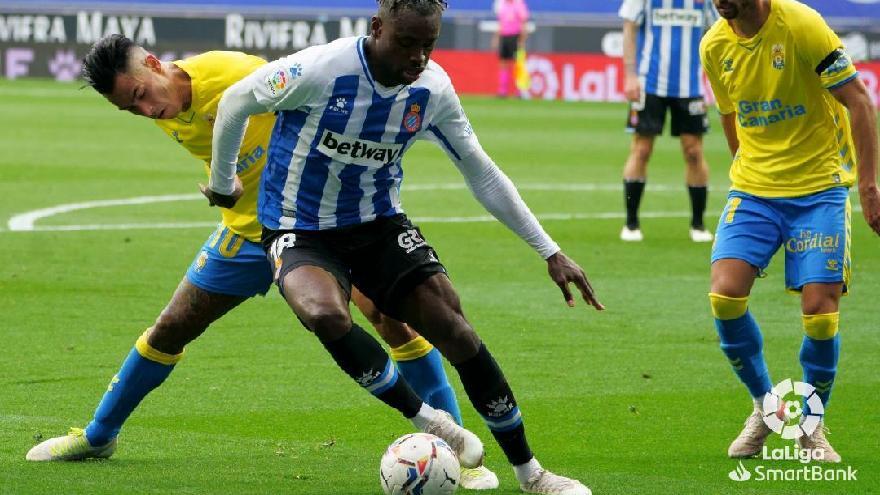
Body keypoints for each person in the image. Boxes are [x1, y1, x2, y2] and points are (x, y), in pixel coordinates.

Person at [26, 35, 500, 488]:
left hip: (318, 226)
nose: (146, 110)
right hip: (248, 231)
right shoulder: (163, 104)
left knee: (391, 319)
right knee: (172, 325)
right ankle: (99, 435)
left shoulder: (234, 74)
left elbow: (315, 105)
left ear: (153, 64)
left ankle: (457, 452)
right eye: (131, 109)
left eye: (141, 96)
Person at [203, 1, 603, 493]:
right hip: (299, 227)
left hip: (379, 225)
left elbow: (481, 172)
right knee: (326, 314)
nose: (418, 56)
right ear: (377, 27)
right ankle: (427, 418)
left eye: (428, 44)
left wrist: (549, 250)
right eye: (406, 42)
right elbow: (237, 100)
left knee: (455, 330)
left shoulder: (432, 89)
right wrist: (223, 182)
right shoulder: (323, 69)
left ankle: (532, 474)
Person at [701, 0, 880, 462]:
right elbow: (730, 114)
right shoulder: (714, 45)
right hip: (755, 191)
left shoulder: (801, 25)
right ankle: (764, 406)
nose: (719, 1)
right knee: (725, 295)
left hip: (819, 189)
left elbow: (858, 98)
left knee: (820, 311)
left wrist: (867, 187)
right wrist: (748, 170)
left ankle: (811, 425)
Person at [618, 0, 718, 242]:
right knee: (641, 149)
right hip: (649, 84)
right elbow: (629, 26)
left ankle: (698, 224)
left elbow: (719, 31)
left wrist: (717, 79)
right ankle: (631, 223)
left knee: (693, 151)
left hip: (690, 86)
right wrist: (630, 75)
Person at [492, 0, 529, 98]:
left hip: (515, 37)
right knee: (503, 63)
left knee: (517, 64)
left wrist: (522, 39)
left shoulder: (519, 4)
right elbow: (500, 23)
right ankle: (502, 91)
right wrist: (496, 38)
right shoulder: (502, 4)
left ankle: (519, 91)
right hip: (504, 36)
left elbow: (524, 23)